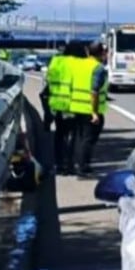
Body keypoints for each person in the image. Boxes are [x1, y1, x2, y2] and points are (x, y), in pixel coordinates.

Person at [44, 40, 86, 174]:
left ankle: (58, 165)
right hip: (75, 104)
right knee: (73, 136)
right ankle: (70, 165)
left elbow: (48, 81)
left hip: (58, 104)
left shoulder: (56, 61)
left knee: (59, 135)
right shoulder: (80, 64)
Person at [71, 41, 109, 178]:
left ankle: (83, 165)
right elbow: (94, 91)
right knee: (88, 140)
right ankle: (82, 168)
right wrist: (94, 112)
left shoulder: (79, 65)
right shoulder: (98, 68)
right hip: (90, 109)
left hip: (77, 106)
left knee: (81, 138)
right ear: (101, 53)